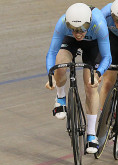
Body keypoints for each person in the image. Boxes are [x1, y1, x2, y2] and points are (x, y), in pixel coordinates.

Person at [45, 3, 112, 154]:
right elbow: (51, 52)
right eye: (74, 30)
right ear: (68, 24)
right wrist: (51, 76)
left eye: (81, 29)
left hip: (93, 45)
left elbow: (107, 57)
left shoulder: (99, 24)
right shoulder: (63, 23)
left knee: (91, 86)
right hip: (69, 43)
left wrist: (98, 73)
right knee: (60, 66)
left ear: (89, 23)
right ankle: (60, 98)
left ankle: (91, 134)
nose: (78, 34)